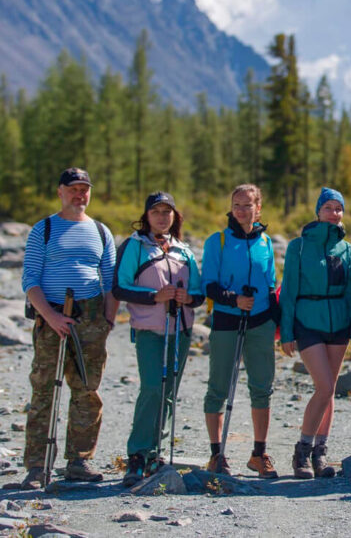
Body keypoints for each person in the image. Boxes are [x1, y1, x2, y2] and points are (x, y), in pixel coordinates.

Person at [19, 167, 119, 489]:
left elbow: (111, 282)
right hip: (51, 316)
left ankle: (79, 461)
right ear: (60, 191)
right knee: (44, 389)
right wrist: (51, 316)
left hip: (90, 318)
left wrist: (107, 321)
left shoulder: (102, 232)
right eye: (73, 189)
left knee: (87, 391)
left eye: (84, 189)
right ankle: (36, 467)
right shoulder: (43, 230)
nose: (80, 195)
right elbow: (30, 281)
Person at [112, 192, 204, 487]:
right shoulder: (135, 246)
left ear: (175, 216)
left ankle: (156, 451)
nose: (162, 217)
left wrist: (186, 297)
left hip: (181, 330)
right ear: (146, 216)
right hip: (150, 330)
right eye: (156, 212)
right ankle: (138, 454)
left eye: (168, 212)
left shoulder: (183, 251)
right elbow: (120, 287)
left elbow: (199, 294)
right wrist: (155, 297)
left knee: (168, 392)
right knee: (152, 387)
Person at [281, 188, 351, 479]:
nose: (334, 213)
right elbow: (288, 291)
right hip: (307, 323)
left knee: (329, 392)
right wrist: (286, 331)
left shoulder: (348, 250)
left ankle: (321, 454)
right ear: (318, 211)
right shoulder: (298, 247)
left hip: (339, 324)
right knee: (325, 387)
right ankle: (302, 450)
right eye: (328, 207)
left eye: (338, 208)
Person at [201, 184, 280, 478]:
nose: (242, 210)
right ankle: (216, 455)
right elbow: (207, 285)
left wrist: (279, 325)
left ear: (258, 208)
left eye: (248, 205)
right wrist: (233, 299)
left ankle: (259, 454)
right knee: (218, 388)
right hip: (226, 320)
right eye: (237, 205)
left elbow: (271, 287)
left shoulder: (266, 243)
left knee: (262, 388)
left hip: (261, 322)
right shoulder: (217, 241)